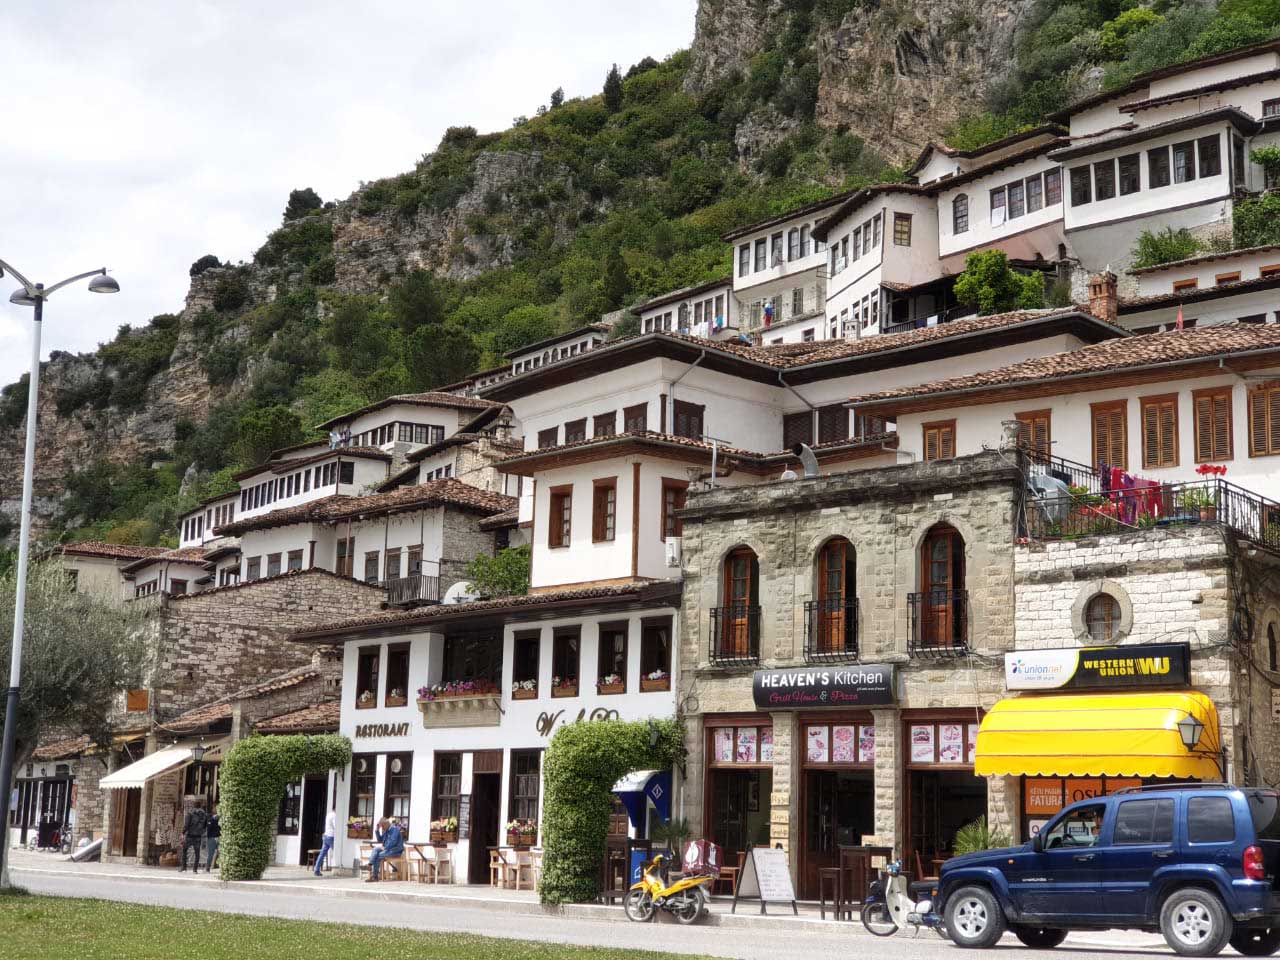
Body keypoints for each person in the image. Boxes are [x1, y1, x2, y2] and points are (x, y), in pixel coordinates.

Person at [365, 817, 403, 882]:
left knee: (379, 854)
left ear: (387, 824)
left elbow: (393, 842)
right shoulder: (386, 831)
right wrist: (377, 830)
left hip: (396, 851)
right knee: (376, 849)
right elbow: (380, 839)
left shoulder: (395, 830)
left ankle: (375, 877)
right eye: (381, 826)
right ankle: (370, 865)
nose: (382, 828)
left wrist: (385, 848)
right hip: (388, 850)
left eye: (382, 826)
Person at [179, 799, 209, 873]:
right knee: (197, 853)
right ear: (200, 806)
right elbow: (205, 826)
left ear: (194, 806)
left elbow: (186, 825)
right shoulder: (204, 814)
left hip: (190, 835)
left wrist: (183, 833)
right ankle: (195, 870)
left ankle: (184, 867)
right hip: (198, 836)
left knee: (184, 850)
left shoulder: (190, 813)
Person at [314, 808, 337, 876]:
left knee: (322, 853)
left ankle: (317, 869)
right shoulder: (334, 815)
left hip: (326, 835)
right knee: (336, 852)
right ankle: (335, 868)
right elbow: (336, 826)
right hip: (331, 836)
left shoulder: (329, 814)